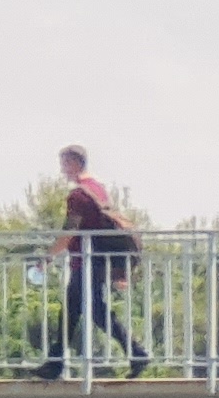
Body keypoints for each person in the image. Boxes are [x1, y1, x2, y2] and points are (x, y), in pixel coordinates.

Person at [41, 144, 149, 380]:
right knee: (73, 312)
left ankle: (137, 353)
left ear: (75, 163)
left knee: (92, 312)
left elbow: (69, 231)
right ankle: (55, 363)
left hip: (86, 262)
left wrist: (48, 256)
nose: (63, 171)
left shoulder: (78, 195)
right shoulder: (98, 190)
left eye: (65, 165)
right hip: (98, 261)